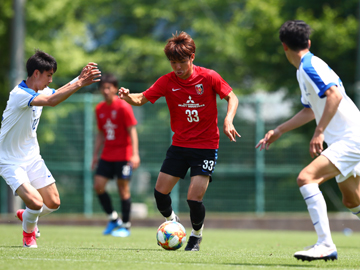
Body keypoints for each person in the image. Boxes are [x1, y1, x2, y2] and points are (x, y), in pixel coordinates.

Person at [118, 31, 240, 251]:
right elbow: (141, 98)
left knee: (193, 198)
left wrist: (228, 120)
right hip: (180, 146)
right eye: (173, 62)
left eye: (182, 62)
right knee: (159, 193)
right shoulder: (167, 82)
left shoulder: (209, 76)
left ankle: (196, 235)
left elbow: (232, 96)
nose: (177, 67)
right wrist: (127, 96)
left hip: (205, 147)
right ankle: (173, 222)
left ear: (192, 57)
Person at [256, 20, 360, 262]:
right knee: (352, 199)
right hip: (347, 139)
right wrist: (279, 130)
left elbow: (334, 94)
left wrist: (319, 132)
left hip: (351, 138)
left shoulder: (309, 66)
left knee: (306, 178)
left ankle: (325, 244)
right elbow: (311, 109)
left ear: (284, 46)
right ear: (308, 42)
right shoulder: (304, 69)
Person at [0, 50, 101, 248]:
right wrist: (80, 83)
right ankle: (28, 233)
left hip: (32, 158)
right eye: (49, 75)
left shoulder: (39, 91)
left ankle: (27, 215)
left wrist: (78, 78)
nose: (50, 80)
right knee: (36, 203)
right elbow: (52, 101)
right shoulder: (19, 94)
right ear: (36, 73)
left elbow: (56, 92)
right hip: (10, 162)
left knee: (53, 202)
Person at [91, 74, 140, 237]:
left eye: (108, 88)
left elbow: (132, 130)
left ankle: (126, 226)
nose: (105, 91)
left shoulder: (124, 106)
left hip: (124, 156)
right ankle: (113, 219)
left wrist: (135, 154)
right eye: (102, 88)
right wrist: (94, 155)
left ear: (114, 89)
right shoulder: (99, 109)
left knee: (123, 189)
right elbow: (100, 133)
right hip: (107, 155)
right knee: (98, 186)